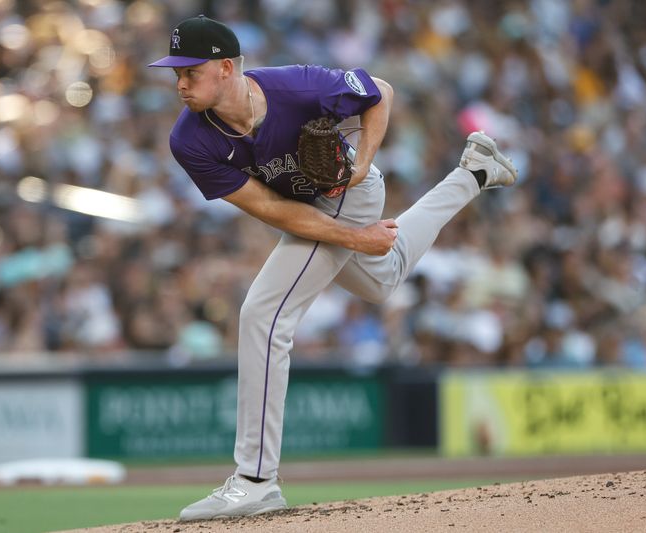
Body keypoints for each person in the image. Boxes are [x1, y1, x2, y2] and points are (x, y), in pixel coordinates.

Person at [148, 15, 517, 521]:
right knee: (382, 280)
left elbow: (379, 92)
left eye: (189, 71)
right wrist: (357, 240)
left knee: (263, 313)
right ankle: (475, 171)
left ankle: (255, 480)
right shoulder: (189, 139)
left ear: (226, 67)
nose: (180, 83)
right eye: (176, 73)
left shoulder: (293, 86)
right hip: (309, 209)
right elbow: (273, 211)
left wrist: (362, 163)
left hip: (352, 193)